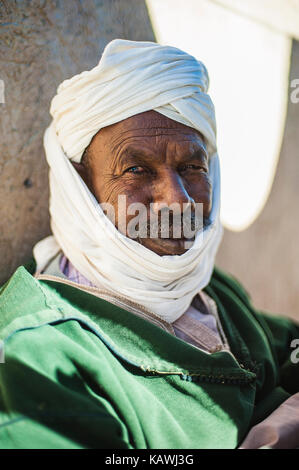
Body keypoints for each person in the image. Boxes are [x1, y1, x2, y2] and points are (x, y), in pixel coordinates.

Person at [0, 39, 298, 450]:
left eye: (192, 167)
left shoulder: (210, 292)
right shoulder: (37, 352)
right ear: (79, 188)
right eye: (136, 169)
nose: (178, 201)